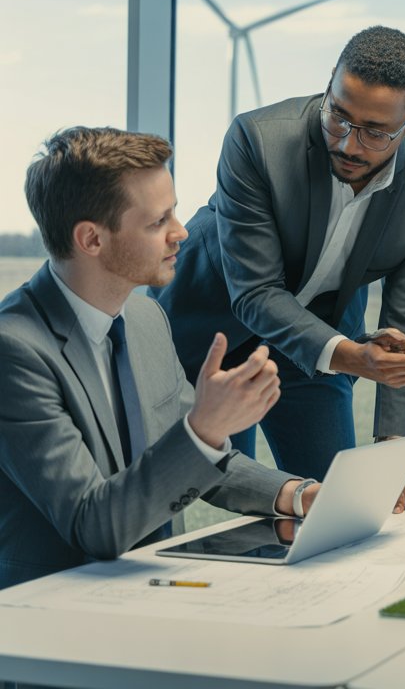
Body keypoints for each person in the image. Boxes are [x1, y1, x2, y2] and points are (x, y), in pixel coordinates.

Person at [153, 26, 405, 512]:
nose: (350, 145)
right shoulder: (257, 140)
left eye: (376, 132)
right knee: (195, 493)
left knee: (338, 505)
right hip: (209, 333)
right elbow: (253, 292)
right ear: (330, 83)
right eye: (339, 116)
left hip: (319, 346)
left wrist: (395, 454)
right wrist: (354, 357)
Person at [0, 127, 314, 589]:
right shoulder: (15, 351)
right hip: (52, 616)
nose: (181, 233)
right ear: (91, 239)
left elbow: (193, 457)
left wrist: (298, 494)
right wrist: (205, 428)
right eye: (157, 221)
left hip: (155, 589)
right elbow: (94, 525)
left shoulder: (146, 317)